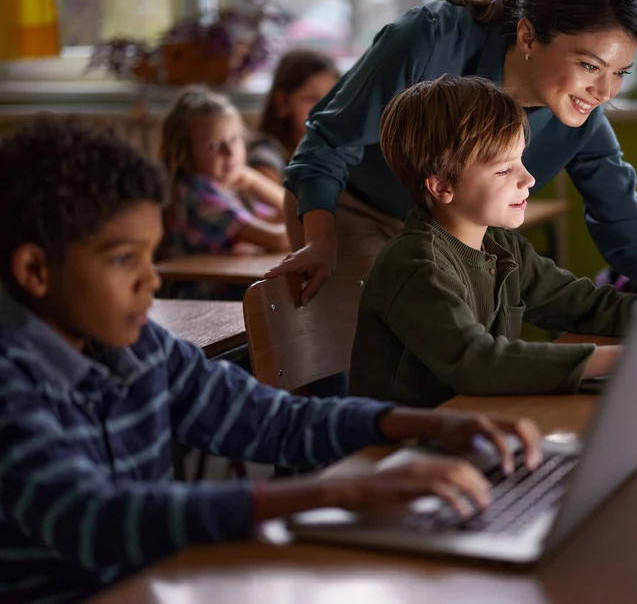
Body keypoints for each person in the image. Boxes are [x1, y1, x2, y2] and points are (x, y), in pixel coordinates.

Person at [0, 118, 544, 604]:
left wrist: (416, 424)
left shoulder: (139, 348)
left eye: (151, 253)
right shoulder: (12, 380)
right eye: (124, 260)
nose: (153, 280)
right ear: (35, 271)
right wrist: (336, 491)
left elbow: (270, 420)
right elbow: (94, 516)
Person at [268, 0, 637, 348]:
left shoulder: (579, 116)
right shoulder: (427, 40)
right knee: (365, 361)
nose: (604, 93)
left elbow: (626, 221)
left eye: (619, 73)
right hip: (347, 208)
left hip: (447, 230)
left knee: (451, 362)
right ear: (530, 35)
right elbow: (325, 143)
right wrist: (321, 240)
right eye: (588, 66)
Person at [349, 76, 637, 406]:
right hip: (404, 455)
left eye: (521, 160)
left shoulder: (502, 246)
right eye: (504, 169)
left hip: (477, 429)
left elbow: (584, 306)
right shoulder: (416, 265)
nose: (528, 179)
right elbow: (479, 363)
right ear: (442, 186)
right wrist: (629, 357)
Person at [160, 87, 290, 298]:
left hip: (233, 296)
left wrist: (252, 180)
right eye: (214, 145)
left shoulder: (227, 188)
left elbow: (287, 216)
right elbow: (280, 238)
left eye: (235, 139)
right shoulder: (200, 196)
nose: (229, 152)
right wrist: (316, 227)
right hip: (204, 303)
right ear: (185, 154)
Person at [250, 49, 340, 182]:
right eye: (310, 98)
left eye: (332, 98)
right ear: (282, 102)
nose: (325, 108)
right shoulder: (266, 156)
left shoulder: (338, 152)